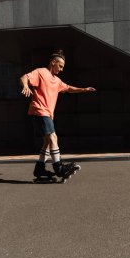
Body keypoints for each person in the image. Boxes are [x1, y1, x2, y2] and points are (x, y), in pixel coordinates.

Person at [20, 49, 96, 179]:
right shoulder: (41, 72)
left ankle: (39, 169)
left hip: (46, 114)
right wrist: (25, 86)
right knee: (53, 137)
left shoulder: (57, 81)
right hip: (39, 110)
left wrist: (83, 89)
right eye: (60, 66)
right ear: (53, 62)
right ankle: (59, 167)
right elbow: (24, 77)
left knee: (47, 142)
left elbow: (68, 88)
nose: (61, 69)